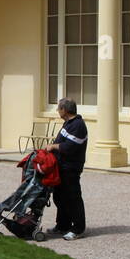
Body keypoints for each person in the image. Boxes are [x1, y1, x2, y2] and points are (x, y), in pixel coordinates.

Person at [48, 97, 87, 240]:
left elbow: (70, 147)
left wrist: (53, 146)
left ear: (64, 110)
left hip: (71, 167)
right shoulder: (68, 123)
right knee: (59, 197)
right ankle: (62, 225)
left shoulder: (78, 125)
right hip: (61, 167)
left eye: (59, 108)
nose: (58, 111)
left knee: (73, 198)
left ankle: (78, 229)